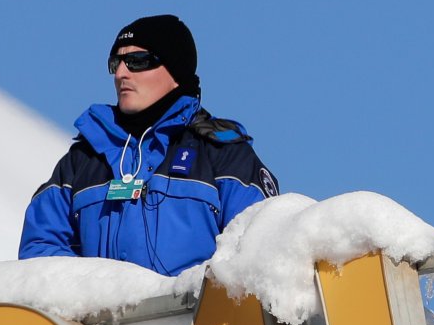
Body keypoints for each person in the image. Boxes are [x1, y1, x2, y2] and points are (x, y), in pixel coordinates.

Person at [20, 15, 278, 273]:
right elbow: (41, 252)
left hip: (197, 313)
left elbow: (259, 249)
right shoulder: (83, 160)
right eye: (115, 63)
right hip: (100, 312)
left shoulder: (223, 153)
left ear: (175, 71)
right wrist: (91, 295)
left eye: (137, 61)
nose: (121, 73)